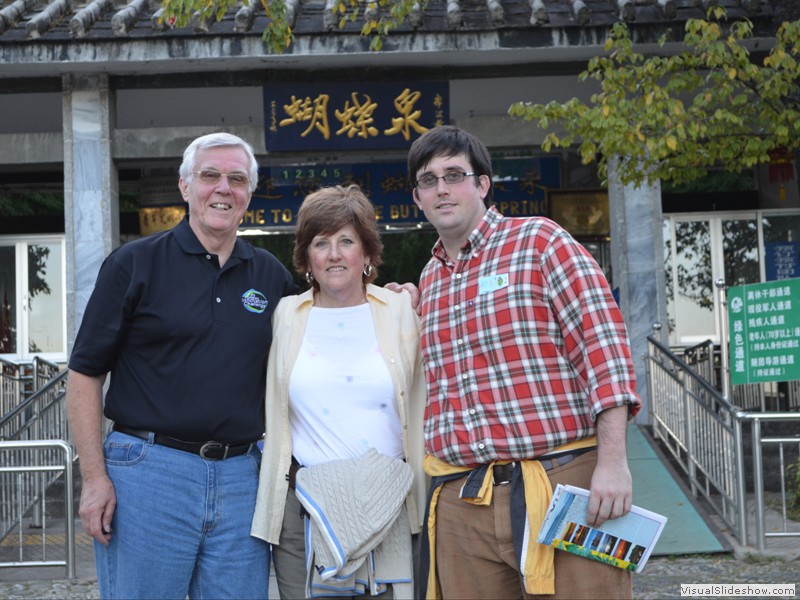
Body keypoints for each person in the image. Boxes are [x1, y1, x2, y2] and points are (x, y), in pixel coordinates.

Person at [406, 125, 642, 599]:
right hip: (463, 496)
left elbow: (606, 351)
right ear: (417, 197)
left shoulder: (541, 241)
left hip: (567, 483)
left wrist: (613, 463)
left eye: (454, 175)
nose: (442, 189)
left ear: (483, 185)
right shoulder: (430, 279)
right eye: (429, 181)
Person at [66, 132, 299, 599]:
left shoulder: (272, 277)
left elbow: (317, 348)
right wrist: (94, 478)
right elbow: (85, 373)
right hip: (149, 474)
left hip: (240, 481)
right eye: (210, 175)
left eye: (236, 179)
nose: (223, 188)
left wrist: (386, 297)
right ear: (185, 186)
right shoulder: (134, 264)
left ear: (249, 194)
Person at [251, 184, 427, 599]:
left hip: (392, 505)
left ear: (366, 254)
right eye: (321, 243)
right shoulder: (284, 317)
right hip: (305, 510)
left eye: (346, 241)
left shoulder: (403, 312)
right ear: (306, 258)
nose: (334, 254)